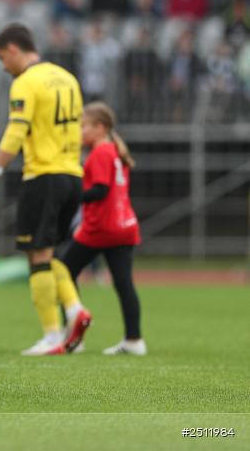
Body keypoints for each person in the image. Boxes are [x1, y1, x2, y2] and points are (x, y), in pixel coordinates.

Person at [0, 23, 92, 356]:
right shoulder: (67, 78)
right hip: (72, 174)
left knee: (37, 256)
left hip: (43, 174)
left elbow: (16, 131)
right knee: (51, 253)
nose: (2, 66)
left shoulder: (26, 82)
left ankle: (54, 333)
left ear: (13, 48)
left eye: (1, 58)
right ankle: (74, 313)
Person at [63, 102, 146, 356]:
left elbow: (100, 190)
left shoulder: (100, 153)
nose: (80, 131)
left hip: (101, 228)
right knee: (123, 284)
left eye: (84, 126)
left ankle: (73, 338)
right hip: (124, 226)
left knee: (63, 274)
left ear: (100, 128)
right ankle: (134, 340)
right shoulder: (116, 151)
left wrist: (72, 196)